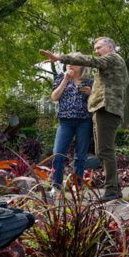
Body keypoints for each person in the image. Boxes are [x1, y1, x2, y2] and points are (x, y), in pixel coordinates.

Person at [40, 38, 128, 201]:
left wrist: (59, 57)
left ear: (110, 47)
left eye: (99, 47)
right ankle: (112, 189)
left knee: (105, 151)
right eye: (95, 48)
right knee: (102, 151)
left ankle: (111, 190)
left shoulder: (113, 58)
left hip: (106, 109)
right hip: (98, 111)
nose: (96, 51)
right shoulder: (110, 65)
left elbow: (91, 61)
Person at [49, 63, 93, 193]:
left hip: (84, 121)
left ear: (81, 66)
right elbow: (54, 97)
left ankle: (77, 185)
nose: (70, 65)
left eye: (74, 63)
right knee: (58, 153)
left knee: (80, 155)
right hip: (65, 121)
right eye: (68, 62)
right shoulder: (60, 78)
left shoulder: (89, 81)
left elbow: (97, 100)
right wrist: (65, 79)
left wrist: (91, 93)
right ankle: (56, 185)